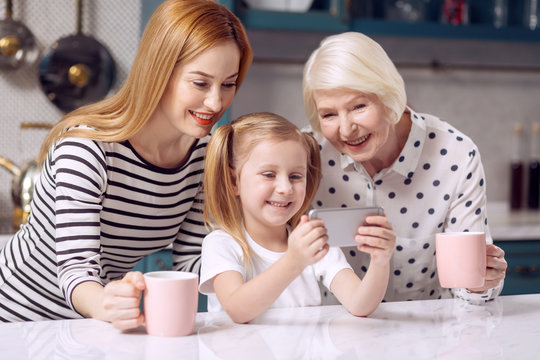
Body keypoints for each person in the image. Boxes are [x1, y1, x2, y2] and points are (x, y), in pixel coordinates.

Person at [0, 0, 252, 329]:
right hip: (16, 320)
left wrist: (269, 263)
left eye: (228, 84)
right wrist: (106, 303)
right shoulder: (88, 150)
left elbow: (191, 262)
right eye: (200, 83)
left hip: (89, 327)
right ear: (159, 71)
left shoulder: (203, 156)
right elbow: (76, 272)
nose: (216, 102)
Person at [302, 32, 507, 304]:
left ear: (388, 97)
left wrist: (482, 283)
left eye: (359, 106)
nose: (346, 128)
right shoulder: (305, 156)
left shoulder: (455, 154)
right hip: (332, 333)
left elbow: (469, 290)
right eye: (329, 114)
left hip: (427, 335)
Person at [199, 112, 396, 323]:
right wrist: (294, 261)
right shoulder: (221, 244)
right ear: (233, 181)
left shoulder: (313, 242)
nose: (285, 188)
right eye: (269, 174)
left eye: (295, 176)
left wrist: (381, 262)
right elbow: (238, 310)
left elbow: (359, 305)